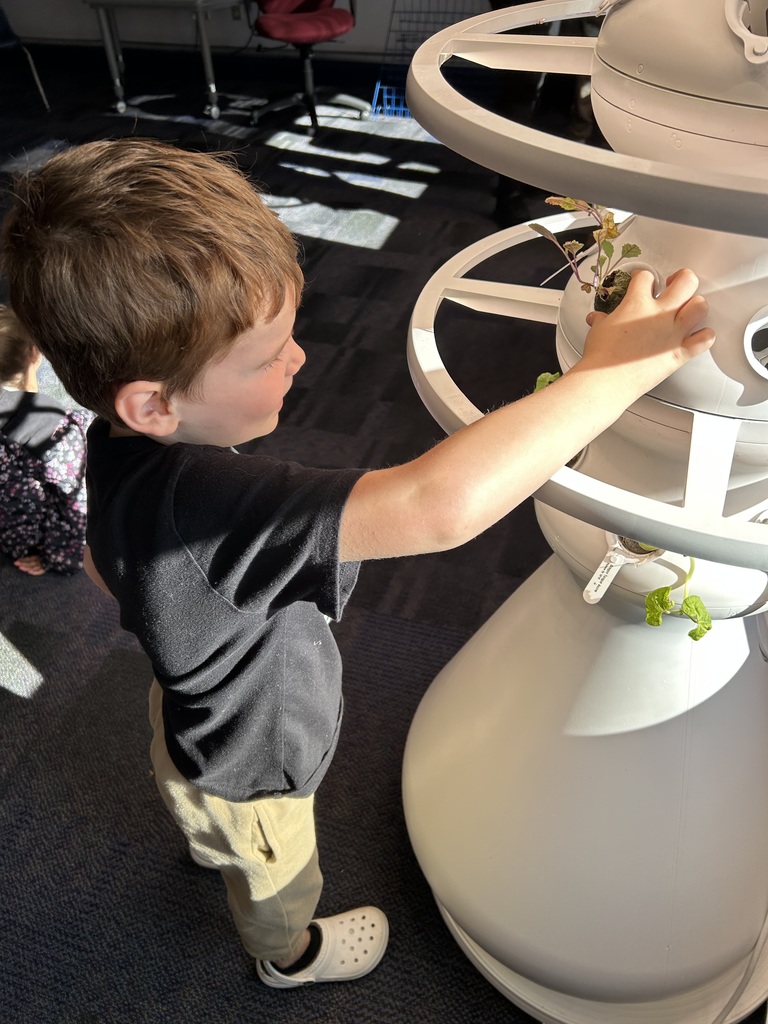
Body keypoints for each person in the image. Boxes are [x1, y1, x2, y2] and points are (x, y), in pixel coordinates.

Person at [0, 138, 714, 989]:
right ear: (152, 404)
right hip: (254, 761)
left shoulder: (103, 444)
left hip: (188, 716)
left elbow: (99, 563)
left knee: (193, 791)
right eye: (269, 356)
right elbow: (436, 504)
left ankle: (205, 838)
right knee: (274, 870)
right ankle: (286, 954)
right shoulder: (221, 509)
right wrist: (611, 373)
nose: (299, 359)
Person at [0, 304, 91, 576]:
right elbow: (73, 504)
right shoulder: (57, 430)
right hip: (28, 537)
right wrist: (61, 558)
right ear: (34, 354)